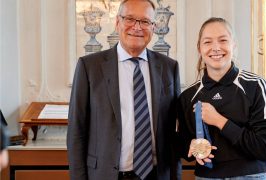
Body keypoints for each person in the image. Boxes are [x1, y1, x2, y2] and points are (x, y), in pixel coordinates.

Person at [67, 0, 181, 179]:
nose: (137, 27)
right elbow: (76, 131)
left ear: (153, 27)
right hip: (106, 174)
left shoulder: (169, 67)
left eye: (145, 21)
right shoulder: (89, 67)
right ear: (117, 22)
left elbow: (174, 132)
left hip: (156, 174)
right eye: (130, 19)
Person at [176, 17, 266, 179]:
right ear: (199, 48)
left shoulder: (258, 86)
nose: (216, 48)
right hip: (206, 176)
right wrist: (191, 147)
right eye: (208, 42)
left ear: (234, 45)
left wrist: (218, 120)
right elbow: (182, 145)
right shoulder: (187, 96)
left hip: (251, 175)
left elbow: (264, 148)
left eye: (223, 40)